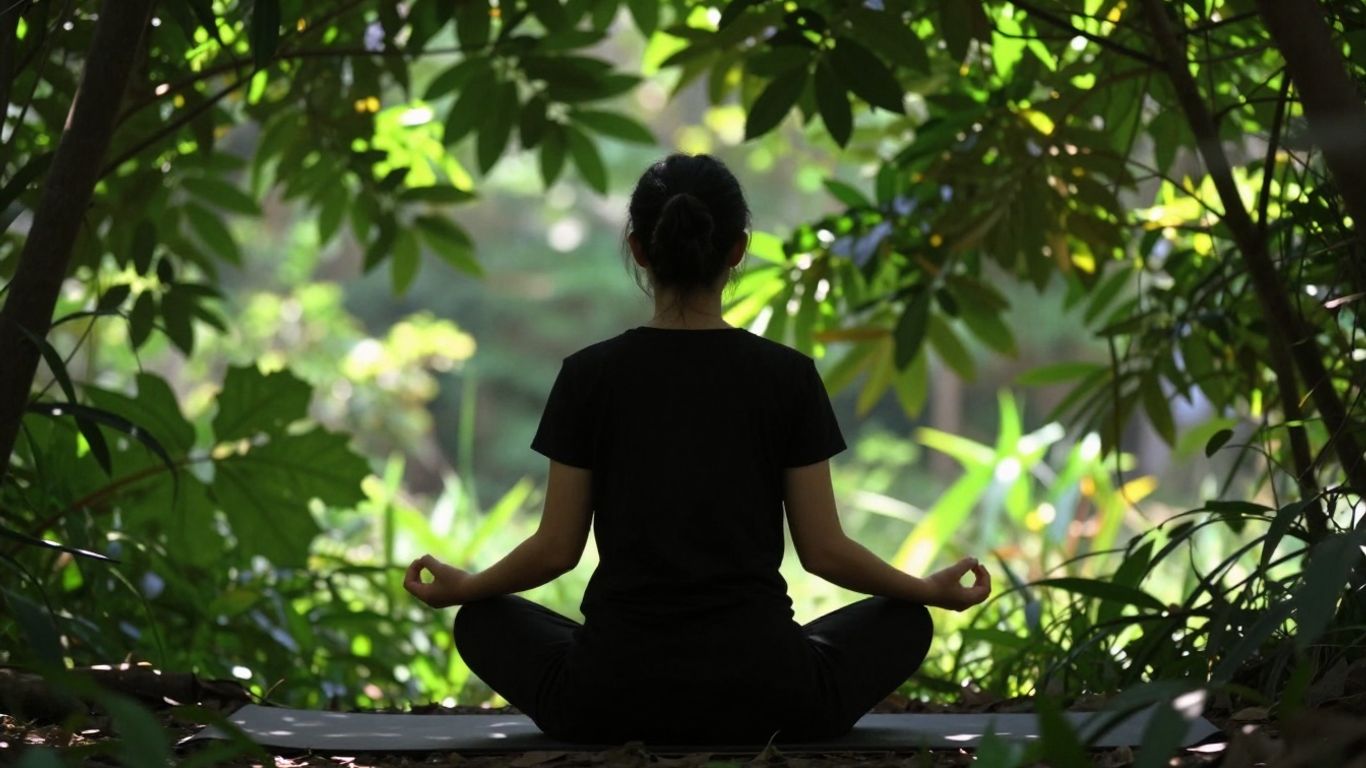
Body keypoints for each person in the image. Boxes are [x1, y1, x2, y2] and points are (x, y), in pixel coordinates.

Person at [404, 153, 991, 744]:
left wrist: (464, 589)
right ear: (737, 250)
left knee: (483, 622)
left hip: (610, 695)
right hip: (770, 693)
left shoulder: (589, 375)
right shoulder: (786, 376)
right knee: (904, 622)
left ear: (638, 250)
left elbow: (556, 549)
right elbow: (825, 552)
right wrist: (929, 591)